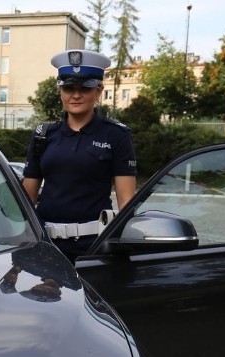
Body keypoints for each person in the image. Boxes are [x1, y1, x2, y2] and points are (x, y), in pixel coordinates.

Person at [22, 49, 138, 262]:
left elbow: (126, 202)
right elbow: (27, 197)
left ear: (99, 90)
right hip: (44, 246)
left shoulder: (117, 135)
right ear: (60, 91)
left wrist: (123, 247)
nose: (76, 95)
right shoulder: (43, 135)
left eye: (85, 88)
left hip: (92, 249)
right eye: (68, 87)